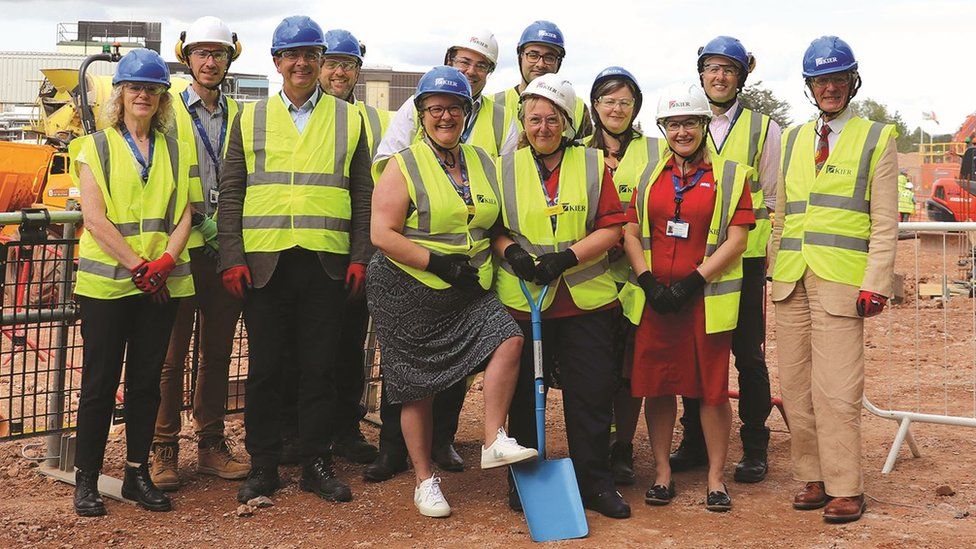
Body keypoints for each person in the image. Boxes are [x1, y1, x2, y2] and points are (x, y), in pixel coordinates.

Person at [217, 15, 373, 505]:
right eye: (292, 55)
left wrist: (360, 257)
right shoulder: (251, 117)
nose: (301, 63)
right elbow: (232, 190)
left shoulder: (351, 119)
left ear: (322, 60)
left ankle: (315, 463)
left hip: (326, 263)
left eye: (310, 54)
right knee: (264, 368)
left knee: (318, 367)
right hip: (265, 264)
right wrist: (231, 256)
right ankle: (263, 464)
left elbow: (363, 193)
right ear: (276, 62)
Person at [369, 66, 537, 518]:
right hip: (408, 287)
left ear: (467, 112)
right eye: (435, 109)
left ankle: (493, 439)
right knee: (416, 386)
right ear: (421, 114)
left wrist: (510, 250)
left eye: (454, 108)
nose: (445, 116)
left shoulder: (482, 161)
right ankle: (425, 480)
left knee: (509, 337)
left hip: (468, 287)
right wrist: (438, 263)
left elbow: (492, 222)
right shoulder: (402, 164)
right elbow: (382, 233)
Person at [769, 36, 897, 524]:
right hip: (791, 281)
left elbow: (885, 221)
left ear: (852, 81)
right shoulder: (797, 138)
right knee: (798, 387)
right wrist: (775, 264)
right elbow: (783, 214)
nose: (830, 88)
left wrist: (876, 281)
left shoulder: (876, 137)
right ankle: (814, 477)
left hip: (843, 283)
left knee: (837, 388)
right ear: (809, 86)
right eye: (821, 80)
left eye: (838, 78)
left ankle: (847, 487)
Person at [495, 74, 631, 519]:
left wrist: (566, 258)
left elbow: (613, 228)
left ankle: (595, 481)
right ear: (523, 121)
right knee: (522, 396)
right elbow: (494, 230)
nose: (543, 127)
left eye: (552, 119)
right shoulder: (503, 167)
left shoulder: (592, 164)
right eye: (534, 119)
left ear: (568, 122)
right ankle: (526, 475)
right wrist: (512, 252)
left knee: (590, 392)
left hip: (584, 299)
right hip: (525, 297)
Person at [620, 83, 755, 512]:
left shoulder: (731, 175)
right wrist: (647, 281)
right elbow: (630, 231)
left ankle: (716, 477)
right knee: (657, 387)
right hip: (657, 303)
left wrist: (692, 282)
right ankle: (662, 472)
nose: (682, 132)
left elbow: (736, 240)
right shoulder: (648, 177)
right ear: (664, 128)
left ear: (704, 125)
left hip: (704, 301)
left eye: (691, 123)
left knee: (712, 392)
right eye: (674, 124)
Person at [71, 48, 194, 516]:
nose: (143, 95)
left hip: (160, 284)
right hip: (109, 287)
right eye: (135, 87)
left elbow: (185, 213)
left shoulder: (175, 149)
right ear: (120, 94)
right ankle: (86, 480)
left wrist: (165, 260)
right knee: (99, 384)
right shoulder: (94, 147)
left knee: (146, 383)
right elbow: (95, 219)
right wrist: (139, 266)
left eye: (152, 88)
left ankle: (137, 474)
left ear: (162, 97)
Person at [670, 36, 781, 484]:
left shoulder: (763, 127)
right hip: (692, 262)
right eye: (712, 68)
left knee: (748, 356)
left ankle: (755, 444)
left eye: (728, 69)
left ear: (741, 76)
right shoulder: (685, 122)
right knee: (694, 352)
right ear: (701, 74)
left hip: (744, 261)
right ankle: (694, 440)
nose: (719, 76)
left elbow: (771, 197)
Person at [150, 15, 250, 492]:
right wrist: (201, 222)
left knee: (216, 351)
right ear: (187, 57)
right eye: (202, 54)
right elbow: (162, 173)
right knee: (170, 356)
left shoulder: (240, 115)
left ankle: (210, 443)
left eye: (219, 54)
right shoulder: (168, 113)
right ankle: (163, 447)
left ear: (231, 58)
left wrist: (224, 233)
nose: (210, 62)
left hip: (223, 250)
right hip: (180, 248)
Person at [583, 66, 666, 486]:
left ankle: (622, 448)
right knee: (594, 371)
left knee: (630, 372)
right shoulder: (577, 150)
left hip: (638, 278)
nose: (616, 108)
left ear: (635, 107)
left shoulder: (657, 150)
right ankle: (594, 443)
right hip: (590, 279)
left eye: (625, 101)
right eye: (609, 100)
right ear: (595, 104)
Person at [376, 30, 518, 160]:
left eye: (481, 66)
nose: (471, 71)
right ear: (449, 61)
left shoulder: (502, 119)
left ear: (489, 71)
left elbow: (509, 177)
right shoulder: (416, 105)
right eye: (464, 62)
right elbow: (387, 160)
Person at [492, 21, 592, 141]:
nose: (540, 64)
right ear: (521, 56)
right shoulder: (494, 103)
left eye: (549, 58)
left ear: (558, 63)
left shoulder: (578, 108)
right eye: (533, 55)